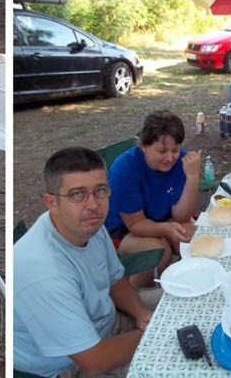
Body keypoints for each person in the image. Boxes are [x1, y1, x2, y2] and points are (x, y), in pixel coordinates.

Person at [14, 147, 153, 378]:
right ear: (51, 202)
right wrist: (159, 332)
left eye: (100, 190)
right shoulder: (46, 271)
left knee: (192, 306)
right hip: (72, 365)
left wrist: (141, 314)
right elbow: (95, 360)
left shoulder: (85, 224)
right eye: (77, 194)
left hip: (108, 324)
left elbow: (114, 280)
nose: (93, 204)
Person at [104, 110, 201, 288]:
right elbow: (135, 224)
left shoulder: (182, 161)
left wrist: (193, 177)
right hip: (123, 228)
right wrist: (165, 229)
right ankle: (138, 295)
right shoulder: (125, 169)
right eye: (162, 151)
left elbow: (181, 217)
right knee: (158, 249)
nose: (170, 157)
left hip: (162, 217)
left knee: (193, 239)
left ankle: (196, 285)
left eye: (175, 150)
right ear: (143, 146)